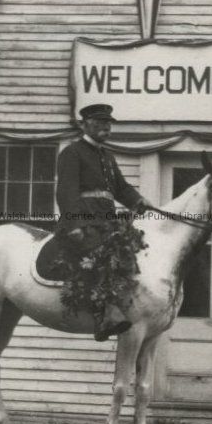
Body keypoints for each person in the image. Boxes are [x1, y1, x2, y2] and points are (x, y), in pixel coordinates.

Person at [55, 103, 153, 341]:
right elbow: (66, 191)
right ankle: (104, 318)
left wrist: (138, 201)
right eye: (99, 123)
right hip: (85, 220)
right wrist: (75, 225)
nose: (106, 127)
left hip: (106, 220)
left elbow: (120, 188)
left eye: (108, 123)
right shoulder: (72, 152)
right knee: (101, 257)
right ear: (85, 125)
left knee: (128, 251)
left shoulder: (107, 156)